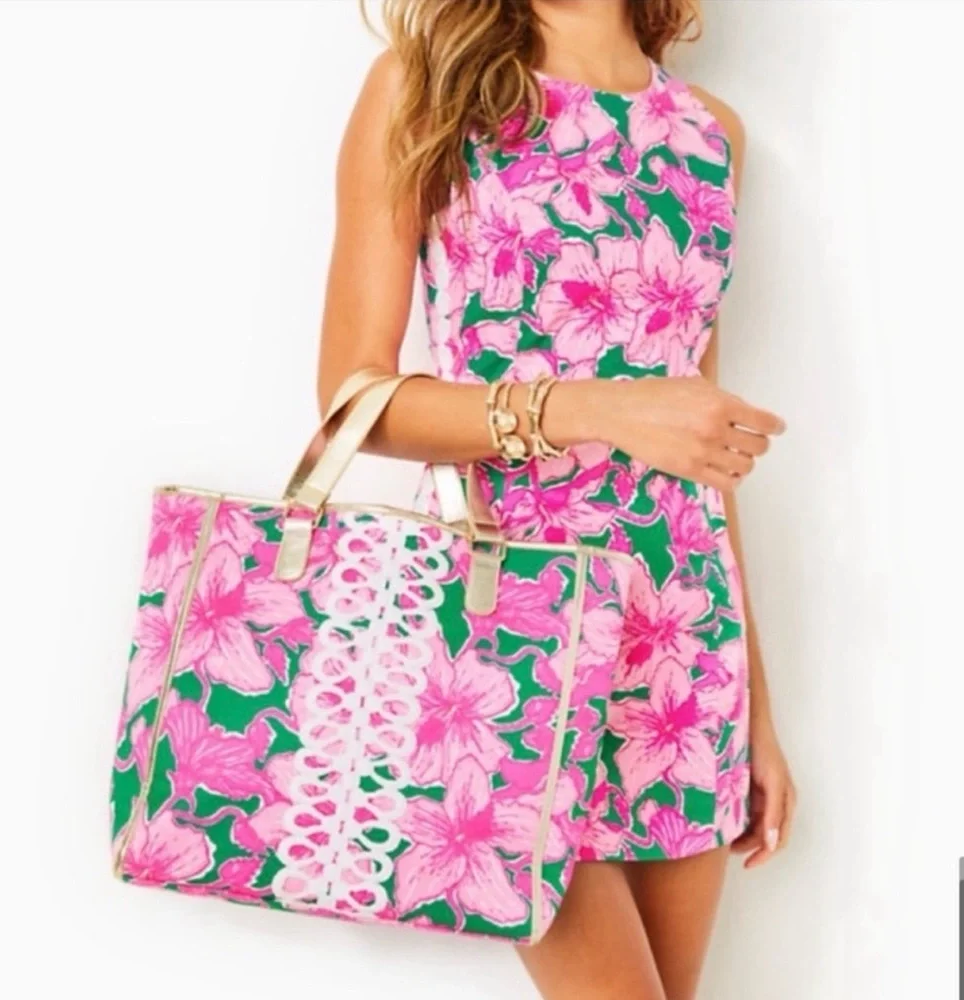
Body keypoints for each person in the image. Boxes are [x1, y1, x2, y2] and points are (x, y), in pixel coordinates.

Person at [317, 1, 796, 997]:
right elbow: (354, 404)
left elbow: (702, 448)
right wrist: (598, 409)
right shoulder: (425, 90)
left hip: (680, 645)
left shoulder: (709, 134)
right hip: (506, 628)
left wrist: (756, 706)